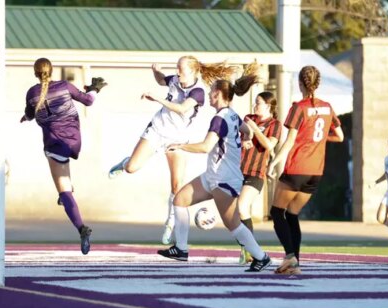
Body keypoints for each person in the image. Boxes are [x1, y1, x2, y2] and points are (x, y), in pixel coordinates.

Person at [108, 56, 236, 245]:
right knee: (132, 168)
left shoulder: (198, 91)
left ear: (192, 72)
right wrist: (156, 71)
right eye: (177, 68)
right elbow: (161, 80)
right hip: (158, 130)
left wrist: (157, 98)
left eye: (181, 70)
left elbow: (182, 109)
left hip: (177, 139)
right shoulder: (175, 80)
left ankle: (170, 222)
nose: (177, 73)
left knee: (177, 185)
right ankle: (126, 162)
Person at [158, 64, 272, 272]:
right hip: (213, 175)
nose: (209, 95)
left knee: (233, 225)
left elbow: (205, 147)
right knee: (180, 199)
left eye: (211, 93)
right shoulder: (232, 114)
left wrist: (180, 145)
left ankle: (261, 257)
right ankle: (181, 249)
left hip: (225, 179)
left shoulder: (220, 118)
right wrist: (244, 138)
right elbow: (248, 131)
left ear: (218, 94)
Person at [20, 58, 107, 255]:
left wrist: (26, 117)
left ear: (35, 72)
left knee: (64, 191)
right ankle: (66, 193)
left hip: (55, 144)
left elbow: (31, 113)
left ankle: (81, 227)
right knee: (64, 172)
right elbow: (89, 100)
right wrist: (94, 88)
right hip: (74, 142)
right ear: (51, 71)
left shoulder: (32, 93)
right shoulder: (65, 86)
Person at [268, 65, 344, 275]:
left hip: (297, 168)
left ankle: (290, 257)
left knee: (276, 212)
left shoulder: (298, 107)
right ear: (317, 84)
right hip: (315, 172)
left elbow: (290, 140)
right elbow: (340, 136)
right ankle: (296, 264)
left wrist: (274, 162)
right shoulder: (327, 107)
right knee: (292, 215)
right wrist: (316, 141)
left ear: (300, 83)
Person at [237, 91, 282, 265]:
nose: (255, 106)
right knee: (235, 214)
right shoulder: (248, 117)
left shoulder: (275, 124)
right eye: (255, 102)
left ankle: (250, 250)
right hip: (236, 171)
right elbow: (234, 137)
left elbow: (269, 145)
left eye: (258, 103)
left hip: (255, 173)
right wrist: (242, 142)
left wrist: (255, 130)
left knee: (242, 206)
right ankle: (246, 249)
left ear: (268, 106)